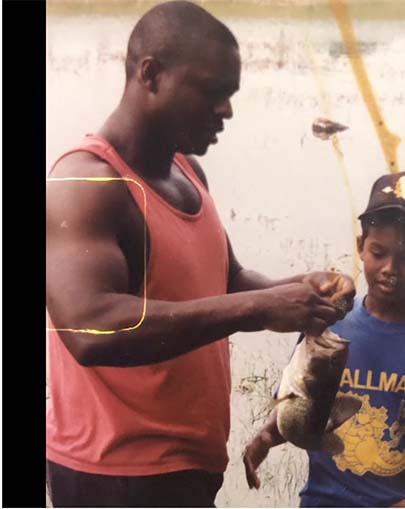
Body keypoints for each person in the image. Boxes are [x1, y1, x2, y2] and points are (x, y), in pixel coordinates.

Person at [44, 2, 355, 506]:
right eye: (212, 92)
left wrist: (298, 289)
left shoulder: (186, 171)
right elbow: (88, 327)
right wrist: (257, 309)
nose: (227, 110)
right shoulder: (87, 184)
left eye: (229, 95)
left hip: (185, 466)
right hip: (115, 474)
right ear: (151, 74)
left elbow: (226, 282)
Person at [243, 170, 405, 507]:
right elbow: (298, 402)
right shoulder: (328, 324)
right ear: (361, 247)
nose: (390, 268)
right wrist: (267, 436)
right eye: (379, 252)